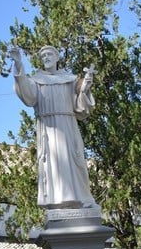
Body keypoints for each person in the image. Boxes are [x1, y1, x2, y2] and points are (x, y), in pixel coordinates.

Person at [10, 45, 97, 210]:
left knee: (75, 160)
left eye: (49, 54)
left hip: (68, 126)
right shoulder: (37, 80)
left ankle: (83, 198)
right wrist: (19, 65)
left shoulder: (70, 79)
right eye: (43, 56)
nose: (46, 58)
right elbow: (28, 95)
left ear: (57, 57)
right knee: (53, 164)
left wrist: (84, 90)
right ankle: (56, 201)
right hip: (48, 129)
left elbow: (80, 108)